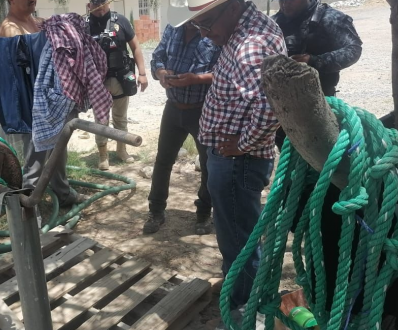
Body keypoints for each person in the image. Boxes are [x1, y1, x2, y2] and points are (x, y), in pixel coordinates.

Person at [180, 0, 287, 307]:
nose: (203, 34)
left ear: (231, 8)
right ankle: (238, 289)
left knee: (239, 242)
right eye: (197, 26)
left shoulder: (250, 45)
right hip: (235, 158)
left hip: (236, 161)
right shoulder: (247, 31)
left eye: (206, 24)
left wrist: (242, 144)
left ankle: (243, 309)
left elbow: (270, 108)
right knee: (240, 236)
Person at [0, 0, 86, 207]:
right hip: (32, 104)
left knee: (59, 150)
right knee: (35, 159)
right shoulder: (9, 29)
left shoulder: (36, 22)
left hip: (53, 100)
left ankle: (63, 194)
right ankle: (29, 208)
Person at [143, 22, 220, 235]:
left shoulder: (213, 31)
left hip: (201, 111)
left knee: (207, 164)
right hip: (172, 108)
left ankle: (204, 214)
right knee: (163, 161)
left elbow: (225, 71)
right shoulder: (172, 29)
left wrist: (196, 79)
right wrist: (160, 72)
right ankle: (156, 211)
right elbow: (157, 56)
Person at [272, 0, 362, 149]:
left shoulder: (329, 18)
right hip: (284, 110)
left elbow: (353, 49)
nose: (285, 3)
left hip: (320, 106)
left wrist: (315, 61)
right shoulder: (276, 22)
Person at [87, 0, 149, 170]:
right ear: (89, 5)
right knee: (101, 121)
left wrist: (142, 73)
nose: (99, 6)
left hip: (121, 79)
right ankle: (103, 155)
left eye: (102, 2)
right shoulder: (84, 25)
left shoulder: (120, 20)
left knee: (120, 118)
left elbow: (135, 46)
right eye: (95, 3)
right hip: (97, 83)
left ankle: (122, 151)